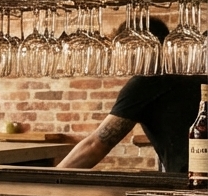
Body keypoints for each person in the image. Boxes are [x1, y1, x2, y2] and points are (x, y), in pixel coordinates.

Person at [58, 18, 208, 173]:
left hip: (194, 181)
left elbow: (96, 145)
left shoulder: (147, 82)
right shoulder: (193, 74)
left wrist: (52, 177)